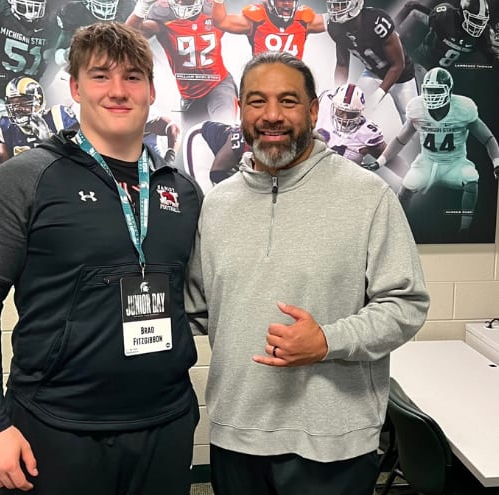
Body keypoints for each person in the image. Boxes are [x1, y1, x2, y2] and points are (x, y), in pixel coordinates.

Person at [0, 22, 202, 495]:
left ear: (150, 89)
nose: (118, 90)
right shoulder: (22, 180)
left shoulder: (179, 189)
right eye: (101, 76)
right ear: (76, 87)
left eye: (132, 77)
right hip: (57, 427)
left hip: (165, 424)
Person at [184, 51, 430, 495]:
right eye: (257, 101)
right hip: (235, 435)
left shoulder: (366, 196)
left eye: (288, 101)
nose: (272, 116)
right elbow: (199, 310)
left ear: (313, 110)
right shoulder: (217, 205)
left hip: (334, 444)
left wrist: (328, 340)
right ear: (239, 109)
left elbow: (406, 305)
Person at [365, 67, 499, 235]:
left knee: (471, 180)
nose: (432, 95)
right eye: (428, 90)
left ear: (449, 91)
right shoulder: (417, 108)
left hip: (455, 161)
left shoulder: (463, 109)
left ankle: (465, 227)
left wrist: (496, 162)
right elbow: (400, 140)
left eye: (437, 91)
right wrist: (381, 161)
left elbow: (488, 138)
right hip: (427, 161)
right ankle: (399, 227)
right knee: (406, 187)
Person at [126, 0, 239, 131]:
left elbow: (236, 23)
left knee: (224, 129)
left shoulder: (213, 12)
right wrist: (143, 6)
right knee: (193, 145)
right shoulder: (164, 18)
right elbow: (130, 36)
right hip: (189, 95)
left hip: (219, 84)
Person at [0, 0, 63, 124]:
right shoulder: (0, 13)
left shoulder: (55, 21)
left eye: (35, 8)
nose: (30, 14)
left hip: (26, 100)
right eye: (23, 7)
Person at [326, 0, 418, 123]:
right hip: (373, 73)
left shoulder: (376, 21)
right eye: (335, 5)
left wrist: (378, 95)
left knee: (412, 123)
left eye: (341, 4)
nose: (336, 9)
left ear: (355, 4)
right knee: (349, 110)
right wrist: (337, 91)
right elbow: (342, 65)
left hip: (402, 77)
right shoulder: (335, 27)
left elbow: (398, 65)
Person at [0, 76, 80, 165]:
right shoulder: (3, 125)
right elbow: (2, 168)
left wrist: (50, 140)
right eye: (13, 104)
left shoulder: (58, 116)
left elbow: (80, 157)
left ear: (38, 101)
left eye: (23, 102)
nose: (17, 108)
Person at [395, 0, 495, 72]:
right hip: (420, 65)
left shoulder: (484, 35)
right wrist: (393, 31)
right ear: (461, 13)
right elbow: (412, 7)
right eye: (474, 19)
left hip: (448, 78)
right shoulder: (446, 17)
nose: (478, 25)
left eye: (481, 21)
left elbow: (491, 61)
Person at [212, 0, 326, 59]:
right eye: (281, 0)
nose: (286, 3)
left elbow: (333, 21)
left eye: (290, 0)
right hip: (262, 79)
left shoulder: (303, 20)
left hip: (293, 79)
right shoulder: (256, 20)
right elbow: (221, 22)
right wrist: (218, 1)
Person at [183, 120, 247, 192]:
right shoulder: (239, 145)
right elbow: (216, 174)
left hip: (229, 158)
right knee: (206, 194)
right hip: (204, 141)